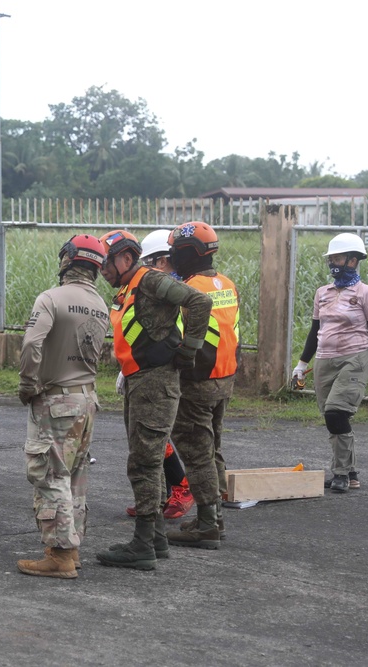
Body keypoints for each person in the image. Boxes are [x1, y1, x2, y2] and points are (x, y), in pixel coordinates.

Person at [93, 230, 211, 571]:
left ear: (127, 258)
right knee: (149, 459)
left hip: (155, 381)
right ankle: (156, 538)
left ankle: (143, 543)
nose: (102, 269)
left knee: (143, 463)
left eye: (107, 262)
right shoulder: (129, 288)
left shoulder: (149, 280)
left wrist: (189, 350)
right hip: (140, 379)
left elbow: (198, 302)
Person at [16, 234, 109, 579]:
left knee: (50, 472)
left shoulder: (51, 298)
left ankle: (61, 554)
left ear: (67, 260)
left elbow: (31, 344)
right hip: (87, 399)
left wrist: (28, 385)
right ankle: (73, 546)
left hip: (56, 399)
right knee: (76, 475)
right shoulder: (100, 305)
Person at [163, 222, 240, 549]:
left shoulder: (189, 290)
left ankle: (208, 524)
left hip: (195, 382)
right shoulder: (226, 284)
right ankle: (216, 518)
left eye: (174, 252)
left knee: (197, 454)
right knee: (212, 448)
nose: (170, 257)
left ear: (187, 253)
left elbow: (176, 337)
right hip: (224, 378)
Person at [292, 232, 368, 493]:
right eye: (331, 257)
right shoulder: (322, 293)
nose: (333, 262)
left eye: (338, 257)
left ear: (353, 260)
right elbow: (315, 331)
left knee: (337, 412)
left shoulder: (367, 294)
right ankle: (352, 472)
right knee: (332, 419)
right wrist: (301, 364)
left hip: (354, 358)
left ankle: (341, 473)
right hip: (324, 359)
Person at [120, 229, 194, 520]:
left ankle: (181, 488)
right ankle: (158, 496)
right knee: (153, 437)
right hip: (153, 369)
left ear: (162, 261)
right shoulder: (156, 288)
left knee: (160, 437)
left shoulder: (169, 289)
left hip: (175, 369)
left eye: (150, 261)